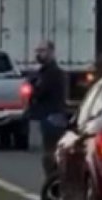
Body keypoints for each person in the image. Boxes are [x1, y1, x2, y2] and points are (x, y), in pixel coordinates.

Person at [29, 40, 67, 177]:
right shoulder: (44, 72)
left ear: (51, 52)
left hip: (52, 116)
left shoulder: (52, 73)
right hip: (48, 115)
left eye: (42, 51)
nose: (39, 54)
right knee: (49, 152)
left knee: (50, 154)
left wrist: (33, 89)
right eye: (37, 51)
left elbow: (39, 92)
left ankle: (54, 182)